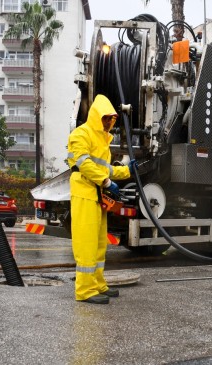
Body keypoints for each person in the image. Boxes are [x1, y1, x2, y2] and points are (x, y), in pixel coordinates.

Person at [67, 94, 135, 304]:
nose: (109, 122)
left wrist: (127, 171)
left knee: (98, 245)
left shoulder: (102, 140)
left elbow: (105, 169)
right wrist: (106, 183)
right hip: (84, 194)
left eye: (111, 119)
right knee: (86, 244)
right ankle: (85, 291)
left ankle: (97, 284)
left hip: (96, 196)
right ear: (97, 116)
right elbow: (84, 164)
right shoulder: (82, 134)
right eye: (106, 118)